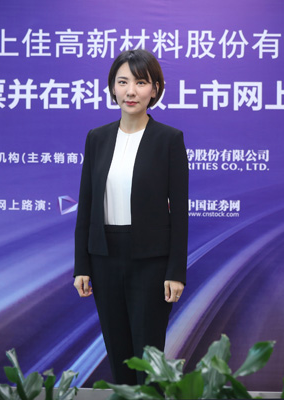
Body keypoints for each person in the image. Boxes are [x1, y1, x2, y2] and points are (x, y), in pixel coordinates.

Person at [73, 49, 189, 385]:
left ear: (155, 89)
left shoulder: (169, 139)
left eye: (140, 82)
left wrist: (175, 272)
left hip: (150, 261)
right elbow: (86, 205)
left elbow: (180, 212)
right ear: (112, 88)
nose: (131, 91)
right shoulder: (97, 138)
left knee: (148, 357)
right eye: (122, 82)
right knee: (119, 353)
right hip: (104, 257)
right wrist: (82, 265)